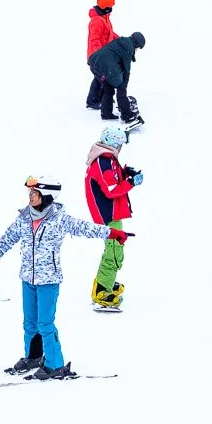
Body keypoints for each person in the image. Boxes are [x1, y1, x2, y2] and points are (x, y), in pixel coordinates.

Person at [0, 174, 126, 378]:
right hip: (27, 278)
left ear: (48, 196)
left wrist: (112, 233)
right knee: (30, 322)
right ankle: (33, 356)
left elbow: (84, 228)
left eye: (35, 193)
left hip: (48, 281)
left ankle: (55, 364)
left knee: (45, 323)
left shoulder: (60, 219)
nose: (30, 197)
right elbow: (8, 238)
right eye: (30, 192)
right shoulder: (24, 217)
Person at [83, 125, 139, 309]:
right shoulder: (103, 161)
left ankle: (106, 282)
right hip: (108, 214)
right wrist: (131, 182)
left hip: (113, 212)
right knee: (113, 251)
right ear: (114, 143)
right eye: (120, 144)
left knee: (116, 249)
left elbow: (112, 179)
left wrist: (125, 173)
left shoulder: (107, 159)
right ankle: (101, 291)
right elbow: (111, 189)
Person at [88, 29, 146, 125]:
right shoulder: (128, 48)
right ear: (136, 43)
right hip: (104, 66)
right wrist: (124, 85)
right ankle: (127, 115)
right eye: (138, 47)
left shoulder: (121, 41)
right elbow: (126, 70)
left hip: (94, 62)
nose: (137, 50)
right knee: (121, 87)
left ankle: (106, 114)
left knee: (108, 88)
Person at [84, 0, 117, 110]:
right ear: (105, 7)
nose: (112, 9)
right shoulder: (97, 21)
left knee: (101, 78)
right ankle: (93, 101)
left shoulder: (105, 17)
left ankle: (102, 98)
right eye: (110, 6)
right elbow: (94, 40)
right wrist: (100, 55)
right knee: (100, 79)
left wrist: (120, 40)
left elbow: (109, 34)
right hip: (96, 56)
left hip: (102, 54)